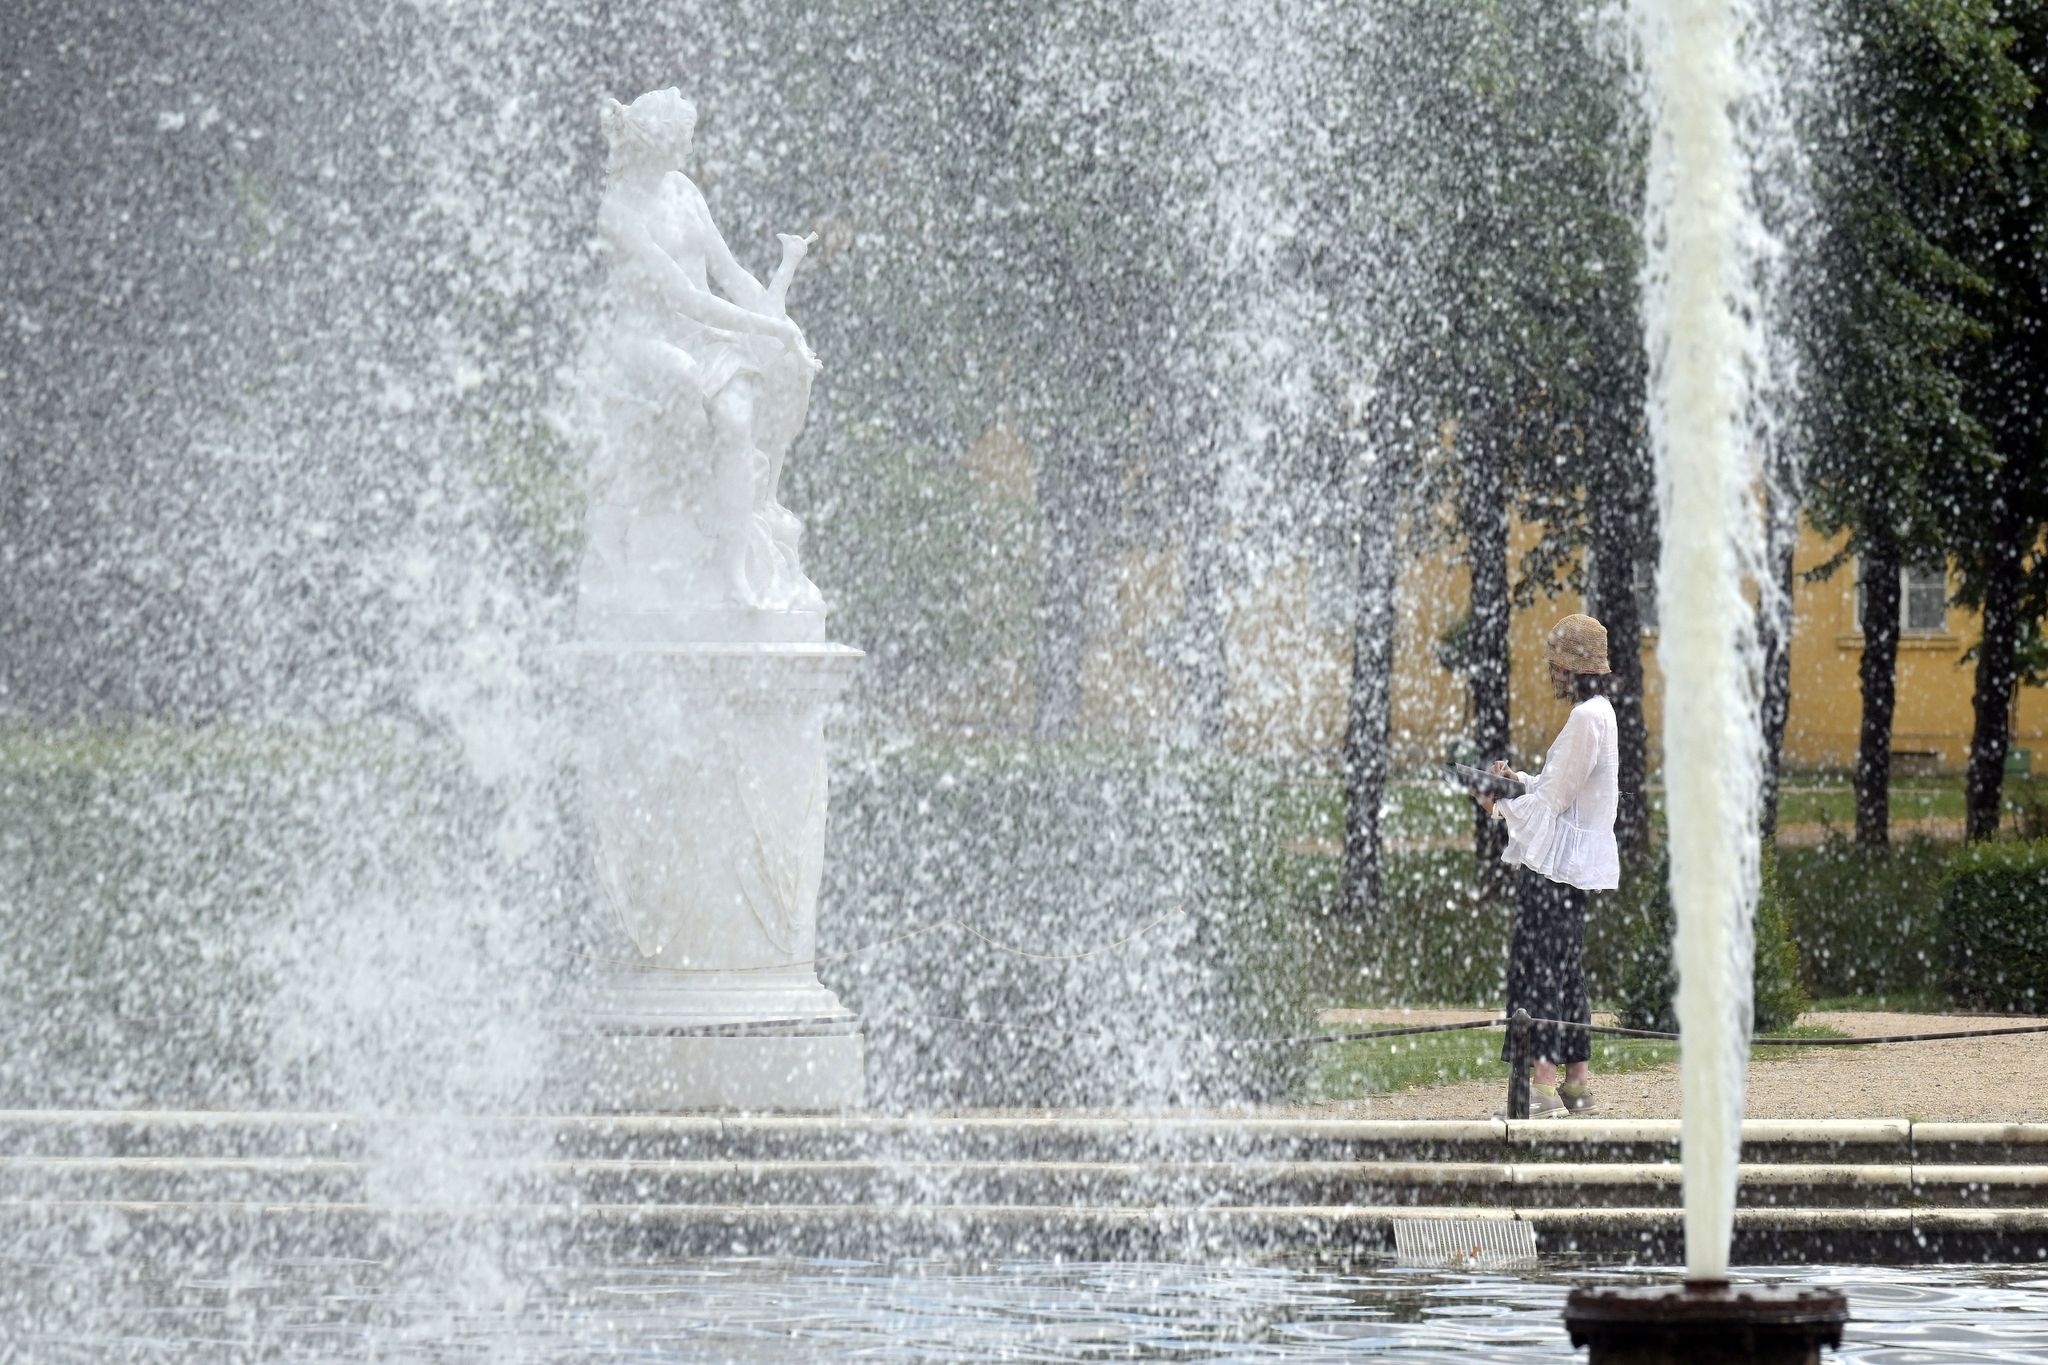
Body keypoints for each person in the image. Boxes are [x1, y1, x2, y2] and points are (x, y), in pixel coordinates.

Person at [1470, 613, 1620, 1119]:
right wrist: (1518, 782)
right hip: (1571, 867)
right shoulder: (1602, 712)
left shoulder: (1584, 719)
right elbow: (1561, 790)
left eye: (1558, 666)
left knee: (1540, 970)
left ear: (1573, 669)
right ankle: (1575, 1087)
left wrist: (1496, 803)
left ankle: (1541, 1090)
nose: (1553, 675)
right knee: (1566, 967)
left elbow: (1553, 804)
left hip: (1556, 869)